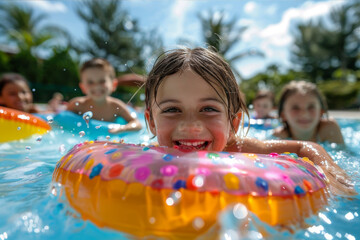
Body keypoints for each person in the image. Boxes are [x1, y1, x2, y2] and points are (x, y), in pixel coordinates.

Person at [144, 47, 355, 196]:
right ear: (151, 122)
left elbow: (304, 146)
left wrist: (329, 169)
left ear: (233, 124)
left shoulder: (238, 147)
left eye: (208, 109)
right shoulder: (147, 154)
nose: (191, 125)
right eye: (172, 109)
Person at [67, 58, 141, 133]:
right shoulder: (77, 105)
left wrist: (122, 128)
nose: (96, 86)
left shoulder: (116, 106)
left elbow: (137, 124)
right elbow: (62, 119)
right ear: (83, 87)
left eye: (102, 81)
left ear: (113, 85)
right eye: (90, 82)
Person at [273, 80, 344, 144]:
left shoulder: (329, 130)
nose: (304, 114)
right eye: (295, 108)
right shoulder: (279, 137)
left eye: (311, 107)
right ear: (283, 115)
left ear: (321, 112)